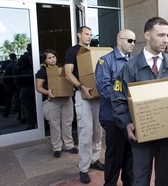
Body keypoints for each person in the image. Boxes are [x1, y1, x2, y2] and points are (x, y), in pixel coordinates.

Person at [112, 17, 168, 186]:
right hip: (142, 137)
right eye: (161, 35)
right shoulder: (129, 68)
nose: (166, 40)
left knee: (164, 180)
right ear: (147, 35)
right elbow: (118, 100)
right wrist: (126, 123)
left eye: (167, 35)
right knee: (140, 180)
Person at [95, 29, 136, 186]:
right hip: (112, 117)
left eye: (134, 41)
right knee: (114, 156)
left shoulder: (134, 61)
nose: (133, 44)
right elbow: (103, 87)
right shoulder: (105, 61)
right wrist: (127, 96)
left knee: (130, 154)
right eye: (130, 41)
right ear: (119, 41)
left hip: (131, 117)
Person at [64, 26, 104, 184]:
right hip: (82, 95)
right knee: (85, 133)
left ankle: (95, 160)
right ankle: (84, 168)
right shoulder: (72, 51)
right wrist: (81, 87)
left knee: (97, 131)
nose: (89, 37)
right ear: (79, 34)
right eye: (86, 34)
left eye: (91, 34)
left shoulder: (92, 51)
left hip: (97, 96)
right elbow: (68, 73)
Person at [35, 49, 78, 158]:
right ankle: (57, 148)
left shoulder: (63, 69)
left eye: (53, 57)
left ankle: (69, 145)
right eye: (49, 58)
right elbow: (38, 87)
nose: (52, 59)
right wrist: (47, 92)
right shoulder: (42, 72)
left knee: (67, 123)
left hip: (66, 99)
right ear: (45, 60)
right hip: (52, 101)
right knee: (55, 125)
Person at [14, 44, 36, 129]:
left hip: (25, 88)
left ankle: (31, 123)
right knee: (33, 106)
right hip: (30, 88)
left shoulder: (20, 68)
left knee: (28, 108)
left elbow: (16, 80)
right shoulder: (33, 66)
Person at [3, 53, 18, 118]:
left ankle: (7, 112)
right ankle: (20, 114)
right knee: (18, 99)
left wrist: (5, 82)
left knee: (9, 99)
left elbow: (6, 76)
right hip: (17, 84)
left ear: (10, 58)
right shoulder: (18, 64)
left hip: (10, 84)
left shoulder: (8, 65)